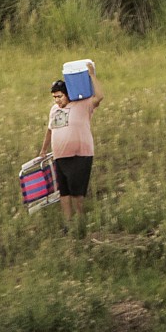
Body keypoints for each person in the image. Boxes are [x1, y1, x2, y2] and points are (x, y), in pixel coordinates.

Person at [39, 61, 104, 227]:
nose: (57, 101)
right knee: (64, 192)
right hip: (60, 156)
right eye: (54, 97)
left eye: (60, 96)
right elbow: (50, 130)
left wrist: (91, 75)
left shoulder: (82, 105)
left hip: (80, 155)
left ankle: (80, 222)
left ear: (68, 94)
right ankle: (68, 225)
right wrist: (43, 149)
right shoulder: (54, 110)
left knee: (77, 192)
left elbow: (100, 97)